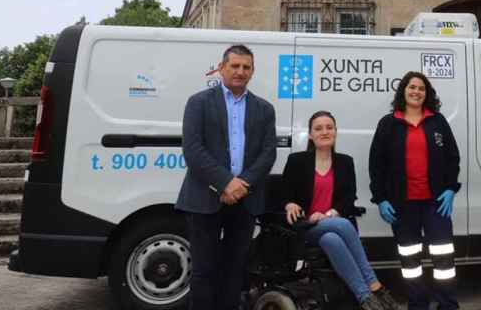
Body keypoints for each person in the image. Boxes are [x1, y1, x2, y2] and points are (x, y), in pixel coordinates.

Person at [176, 44, 276, 310]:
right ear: (222, 68)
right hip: (204, 198)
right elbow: (193, 150)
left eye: (246, 67)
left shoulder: (264, 109)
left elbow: (268, 154)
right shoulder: (198, 103)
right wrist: (225, 182)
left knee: (235, 270)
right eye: (235, 66)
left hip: (246, 200)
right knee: (204, 270)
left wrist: (242, 184)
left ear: (253, 72)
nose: (240, 72)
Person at [283, 111, 398, 310]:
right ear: (310, 135)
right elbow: (283, 194)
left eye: (329, 127)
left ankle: (366, 300)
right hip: (306, 227)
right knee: (341, 224)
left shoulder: (345, 162)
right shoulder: (296, 161)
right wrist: (289, 204)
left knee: (332, 239)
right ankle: (375, 285)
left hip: (333, 228)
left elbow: (348, 199)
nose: (324, 132)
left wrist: (328, 214)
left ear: (336, 132)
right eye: (318, 128)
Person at [369, 71, 461, 310]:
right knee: (410, 262)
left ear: (426, 93)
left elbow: (453, 158)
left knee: (444, 260)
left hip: (436, 203)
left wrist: (451, 188)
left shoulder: (437, 121)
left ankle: (447, 304)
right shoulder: (388, 123)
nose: (416, 92)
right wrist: (380, 199)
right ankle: (417, 304)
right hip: (402, 205)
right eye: (412, 87)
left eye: (421, 88)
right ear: (403, 91)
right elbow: (376, 164)